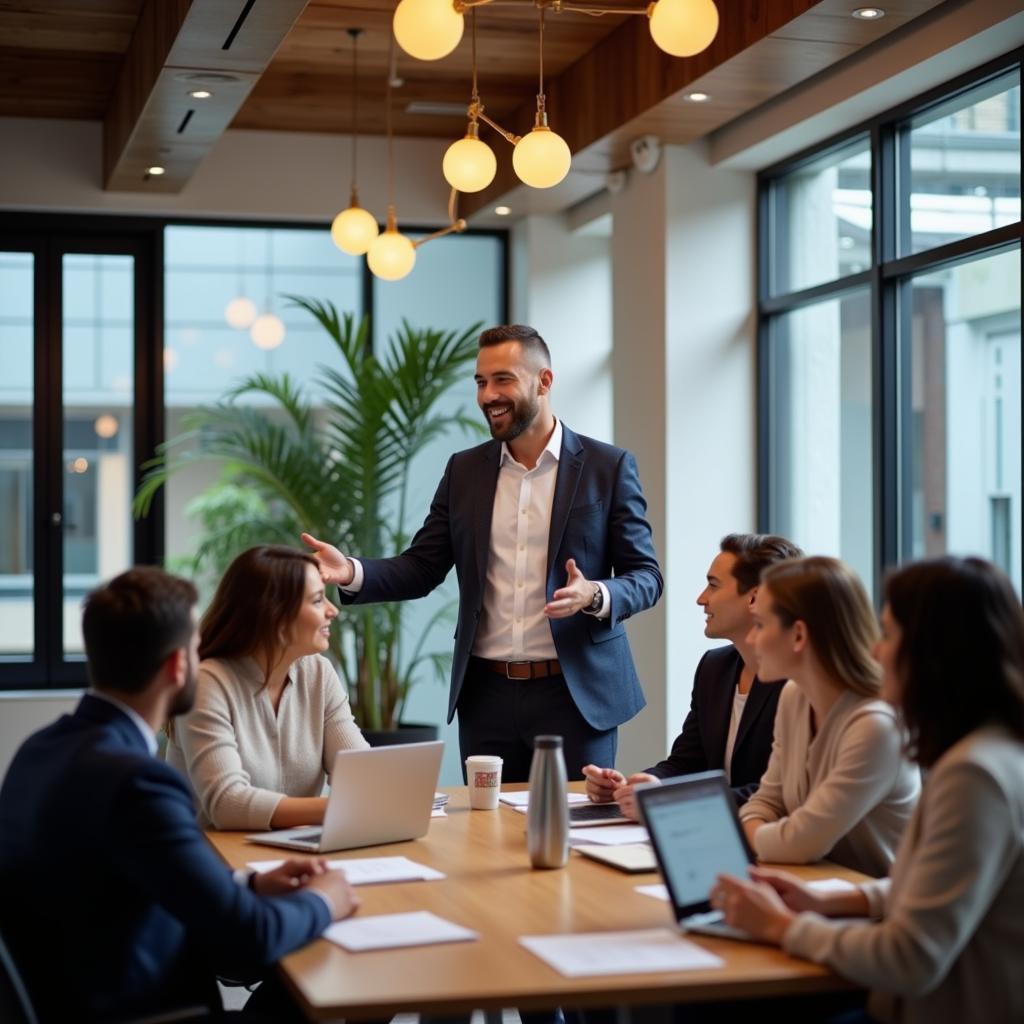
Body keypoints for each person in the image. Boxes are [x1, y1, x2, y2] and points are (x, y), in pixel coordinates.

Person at [303, 324, 663, 781]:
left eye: (503, 380)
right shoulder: (465, 470)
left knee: (572, 835)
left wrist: (594, 594)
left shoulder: (607, 467)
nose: (488, 394)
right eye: (480, 382)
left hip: (576, 696)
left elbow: (646, 577)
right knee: (486, 834)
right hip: (486, 696)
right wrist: (351, 570)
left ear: (544, 382)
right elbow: (422, 567)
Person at [0, 566, 359, 1023]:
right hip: (147, 1008)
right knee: (346, 979)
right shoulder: (137, 782)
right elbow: (250, 934)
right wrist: (326, 898)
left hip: (71, 993)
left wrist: (247, 882)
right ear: (177, 666)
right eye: (195, 646)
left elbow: (124, 872)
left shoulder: (40, 748)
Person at [713, 556, 1024, 1024]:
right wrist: (833, 901)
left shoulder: (973, 775)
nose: (877, 652)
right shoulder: (980, 753)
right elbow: (929, 892)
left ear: (934, 654)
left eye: (890, 634)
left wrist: (783, 926)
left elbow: (911, 956)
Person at [583, 532, 803, 818]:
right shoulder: (715, 668)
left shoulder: (798, 682)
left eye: (713, 585)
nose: (701, 599)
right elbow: (686, 762)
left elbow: (776, 793)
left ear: (754, 598)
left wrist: (670, 801)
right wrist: (637, 786)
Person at [737, 556, 919, 877]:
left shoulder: (876, 726)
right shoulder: (794, 696)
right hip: (816, 887)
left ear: (798, 635)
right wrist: (765, 833)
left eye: (760, 625)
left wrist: (749, 835)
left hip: (874, 910)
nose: (751, 640)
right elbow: (765, 801)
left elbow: (800, 843)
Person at [166, 544, 369, 830]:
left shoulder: (318, 673)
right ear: (275, 616)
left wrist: (381, 794)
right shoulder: (207, 683)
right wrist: (343, 806)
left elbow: (361, 775)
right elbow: (227, 804)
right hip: (213, 862)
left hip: (291, 854)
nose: (332, 610)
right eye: (317, 601)